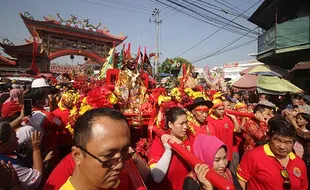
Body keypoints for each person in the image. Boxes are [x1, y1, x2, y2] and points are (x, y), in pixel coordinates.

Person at [45, 108, 149, 190]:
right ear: (78, 156)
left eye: (124, 152)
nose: (120, 166)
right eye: (108, 156)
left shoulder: (115, 181)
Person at [237, 117, 308, 190]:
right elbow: (241, 180)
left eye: (287, 142)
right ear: (269, 137)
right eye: (278, 140)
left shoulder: (299, 163)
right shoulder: (254, 155)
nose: (282, 147)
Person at [148, 107, 194, 190]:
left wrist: (182, 148)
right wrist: (168, 149)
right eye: (181, 123)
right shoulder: (159, 142)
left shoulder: (191, 140)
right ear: (170, 124)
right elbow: (157, 177)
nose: (185, 127)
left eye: (186, 123)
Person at [0, 122, 43, 189]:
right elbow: (36, 178)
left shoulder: (5, 151)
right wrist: (36, 149)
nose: (17, 138)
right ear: (2, 144)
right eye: (14, 136)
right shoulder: (7, 166)